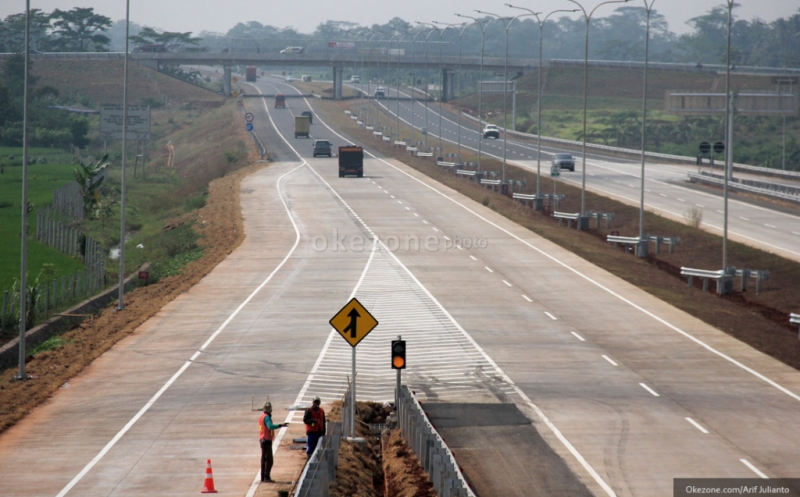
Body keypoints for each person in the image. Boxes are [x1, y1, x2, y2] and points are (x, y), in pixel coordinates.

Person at [258, 401, 288, 483]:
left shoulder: (261, 416)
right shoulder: (267, 417)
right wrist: (280, 425)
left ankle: (263, 477)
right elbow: (270, 426)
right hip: (266, 440)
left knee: (264, 459)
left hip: (262, 440)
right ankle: (266, 477)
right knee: (269, 460)